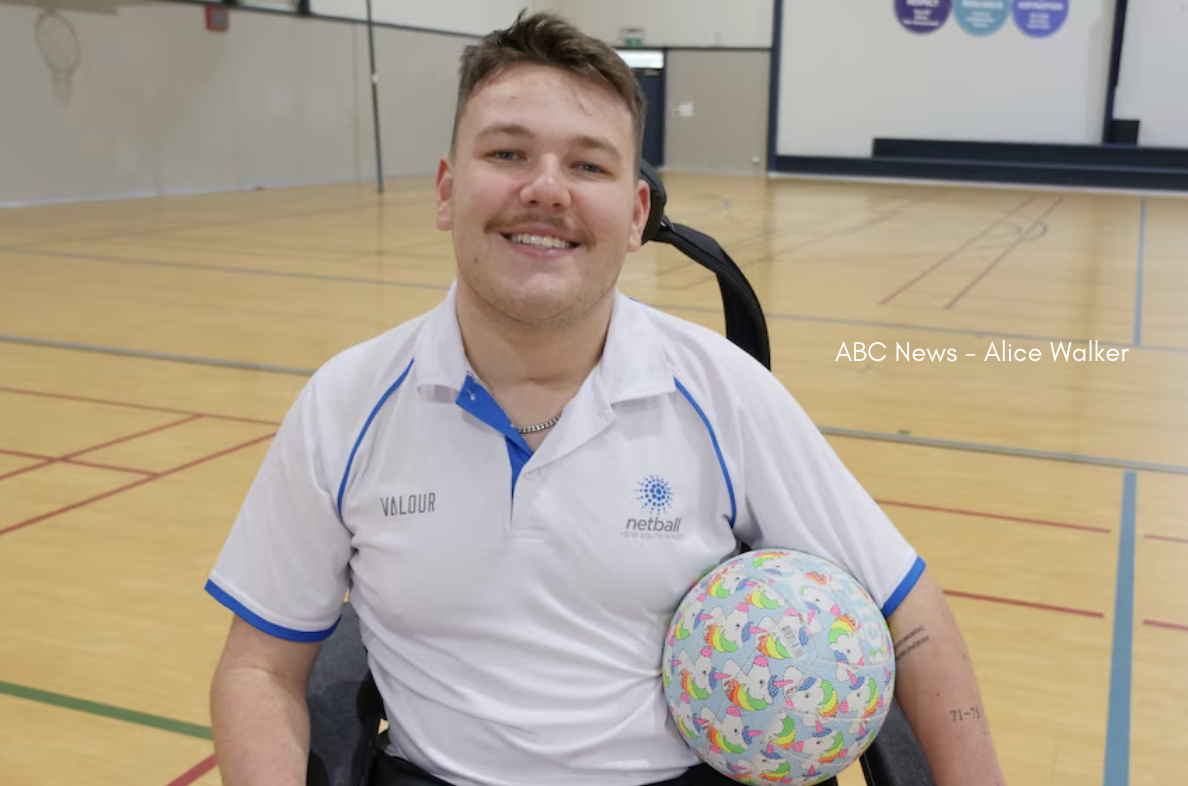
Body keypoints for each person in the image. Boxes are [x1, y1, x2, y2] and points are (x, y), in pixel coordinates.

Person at [206, 11, 1006, 786]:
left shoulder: (724, 395)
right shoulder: (346, 403)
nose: (545, 190)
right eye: (508, 153)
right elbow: (259, 669)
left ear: (635, 214)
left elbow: (914, 618)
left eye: (588, 165)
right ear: (447, 191)